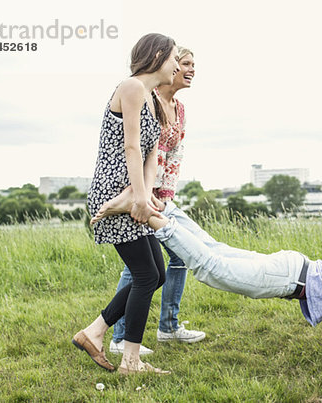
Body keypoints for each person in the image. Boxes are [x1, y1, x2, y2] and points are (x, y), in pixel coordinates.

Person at [92, 189, 322, 356]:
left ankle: (164, 206)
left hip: (295, 267)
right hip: (290, 278)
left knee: (214, 250)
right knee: (210, 266)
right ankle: (148, 212)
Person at [72, 33, 179, 375]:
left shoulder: (151, 98)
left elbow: (150, 156)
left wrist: (145, 197)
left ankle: (94, 332)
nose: (177, 65)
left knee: (156, 273)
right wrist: (136, 196)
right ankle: (130, 361)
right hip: (112, 188)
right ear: (159, 55)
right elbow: (131, 147)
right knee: (147, 275)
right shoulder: (132, 87)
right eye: (175, 57)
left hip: (132, 191)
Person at [109, 46, 205, 357]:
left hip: (162, 197)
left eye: (193, 64)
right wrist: (145, 193)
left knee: (179, 256)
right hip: (139, 193)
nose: (190, 69)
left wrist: (165, 195)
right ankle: (120, 336)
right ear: (170, 66)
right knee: (141, 267)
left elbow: (175, 155)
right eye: (184, 62)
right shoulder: (146, 99)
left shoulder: (180, 109)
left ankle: (168, 327)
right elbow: (142, 149)